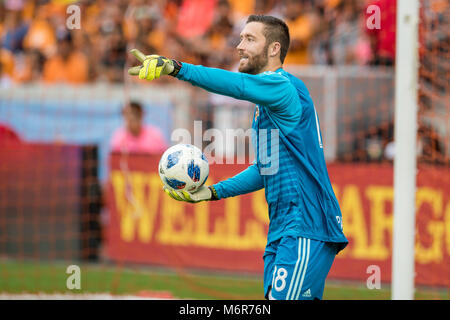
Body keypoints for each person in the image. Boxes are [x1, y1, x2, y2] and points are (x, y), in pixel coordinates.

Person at [128, 14, 348, 300]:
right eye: (241, 38)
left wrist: (175, 67)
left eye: (250, 39)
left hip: (306, 222)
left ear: (274, 49)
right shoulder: (265, 108)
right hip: (284, 226)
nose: (239, 46)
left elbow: (237, 86)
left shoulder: (283, 87)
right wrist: (213, 192)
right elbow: (265, 169)